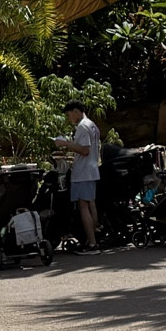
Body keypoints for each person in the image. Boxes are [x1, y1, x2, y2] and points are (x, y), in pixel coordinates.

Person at [63, 99, 101, 251]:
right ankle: (94, 237)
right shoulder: (92, 125)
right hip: (92, 169)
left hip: (83, 172)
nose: (69, 118)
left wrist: (66, 144)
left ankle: (92, 243)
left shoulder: (82, 126)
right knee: (91, 204)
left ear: (76, 111)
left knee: (83, 206)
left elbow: (85, 150)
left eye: (69, 115)